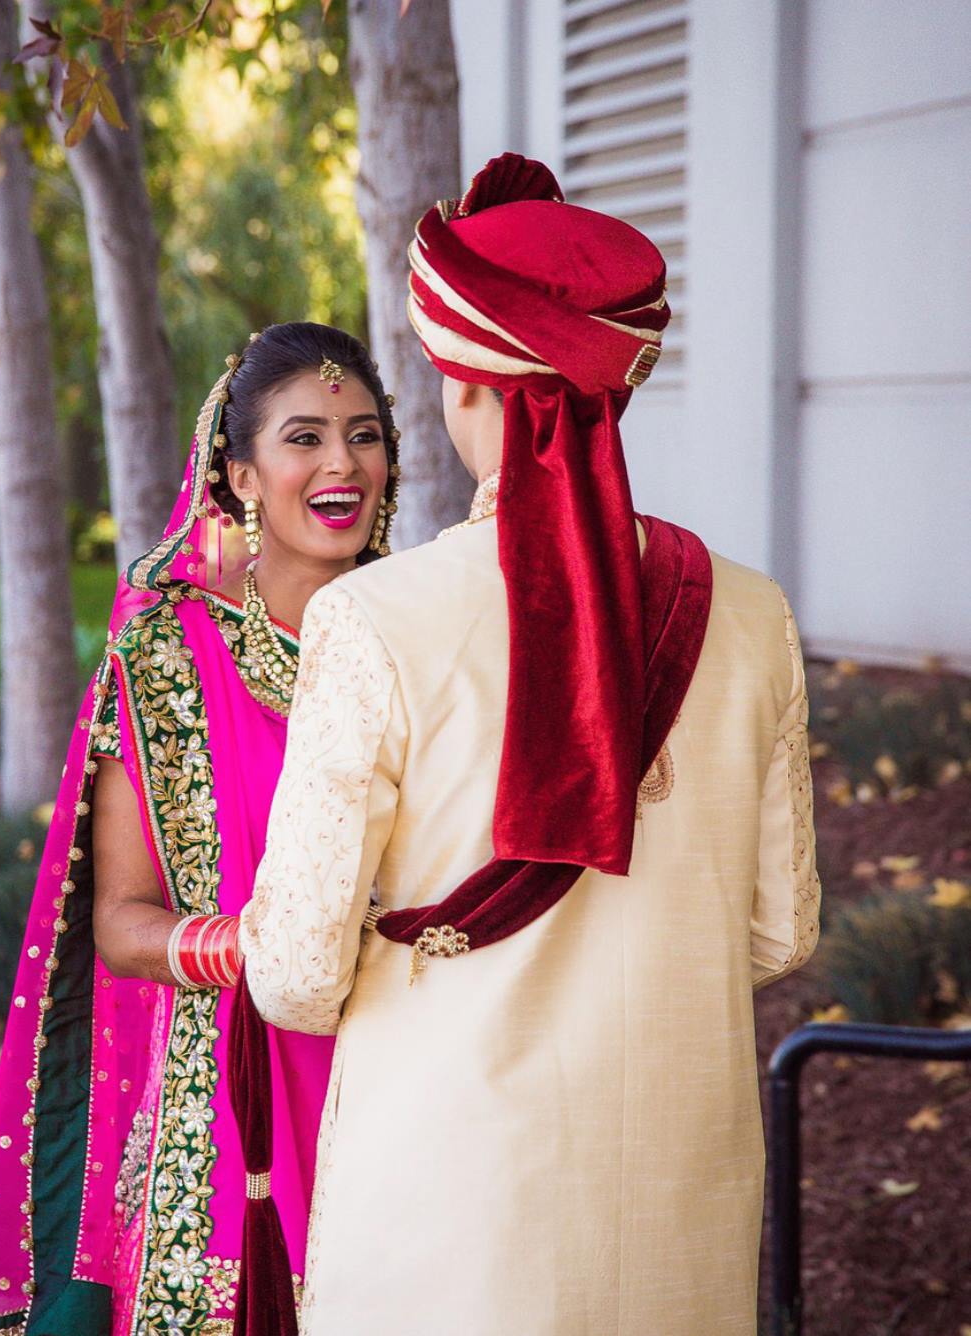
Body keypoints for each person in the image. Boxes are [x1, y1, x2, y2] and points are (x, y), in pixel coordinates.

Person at [238, 154, 821, 1336]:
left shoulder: (371, 619)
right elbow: (781, 931)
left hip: (450, 1215)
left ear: (464, 384)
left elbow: (295, 977)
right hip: (678, 1210)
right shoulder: (752, 612)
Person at [0, 322, 400, 1336]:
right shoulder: (167, 657)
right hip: (235, 1099)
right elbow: (120, 919)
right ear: (239, 473)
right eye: (305, 436)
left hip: (404, 1072)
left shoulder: (422, 638)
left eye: (364, 434)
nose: (341, 464)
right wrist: (268, 946)